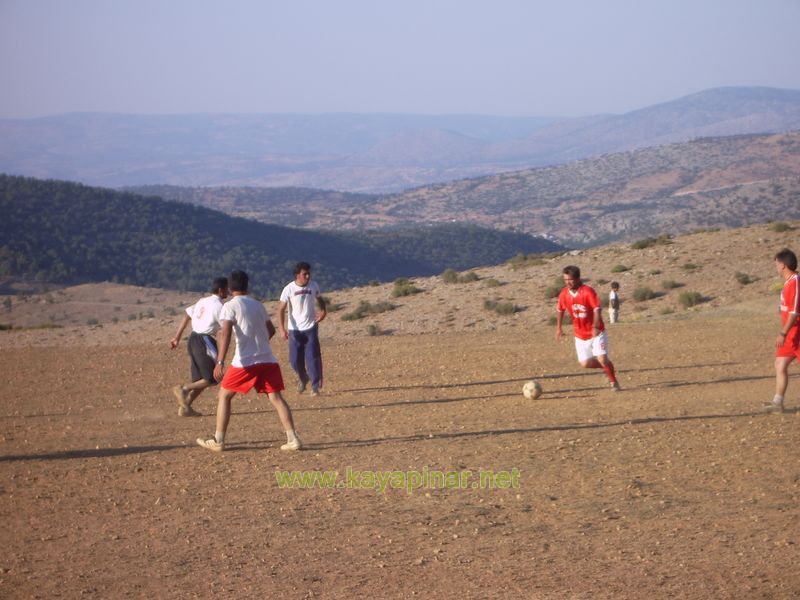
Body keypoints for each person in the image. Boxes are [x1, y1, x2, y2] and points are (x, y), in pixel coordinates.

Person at [196, 270, 301, 452]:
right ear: (247, 286)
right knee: (276, 397)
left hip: (244, 362)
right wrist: (259, 345)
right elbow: (271, 331)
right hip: (268, 359)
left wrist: (220, 361)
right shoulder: (258, 305)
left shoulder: (229, 307)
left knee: (224, 395)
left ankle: (218, 439)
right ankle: (293, 438)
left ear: (229, 289)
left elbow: (226, 333)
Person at [555, 265, 621, 390]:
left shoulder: (587, 291)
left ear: (578, 278)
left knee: (602, 358)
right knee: (585, 363)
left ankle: (613, 382)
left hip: (596, 332)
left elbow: (597, 308)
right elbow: (560, 310)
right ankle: (607, 368)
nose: (567, 283)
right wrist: (559, 328)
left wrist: (595, 326)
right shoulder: (564, 294)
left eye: (570, 280)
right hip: (579, 334)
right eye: (565, 280)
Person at [169, 277, 229, 416]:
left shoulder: (203, 301)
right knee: (212, 377)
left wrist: (177, 337)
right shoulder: (219, 306)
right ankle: (183, 388)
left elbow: (186, 315)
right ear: (220, 290)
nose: (228, 291)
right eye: (226, 288)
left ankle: (185, 407)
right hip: (204, 341)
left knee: (200, 379)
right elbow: (224, 329)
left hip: (193, 339)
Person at [278, 262, 327, 396]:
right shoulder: (288, 289)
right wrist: (282, 329)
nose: (307, 276)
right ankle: (303, 377)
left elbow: (320, 299)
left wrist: (323, 311)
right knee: (294, 360)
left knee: (312, 356)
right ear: (297, 275)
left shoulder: (314, 285)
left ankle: (315, 386)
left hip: (310, 327)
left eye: (308, 273)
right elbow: (280, 309)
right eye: (304, 274)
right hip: (294, 330)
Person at [765, 248, 799, 413]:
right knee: (780, 364)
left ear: (783, 265)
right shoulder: (788, 283)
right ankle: (778, 403)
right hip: (789, 333)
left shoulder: (796, 281)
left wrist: (783, 333)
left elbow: (795, 312)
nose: (776, 267)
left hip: (796, 333)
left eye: (777, 264)